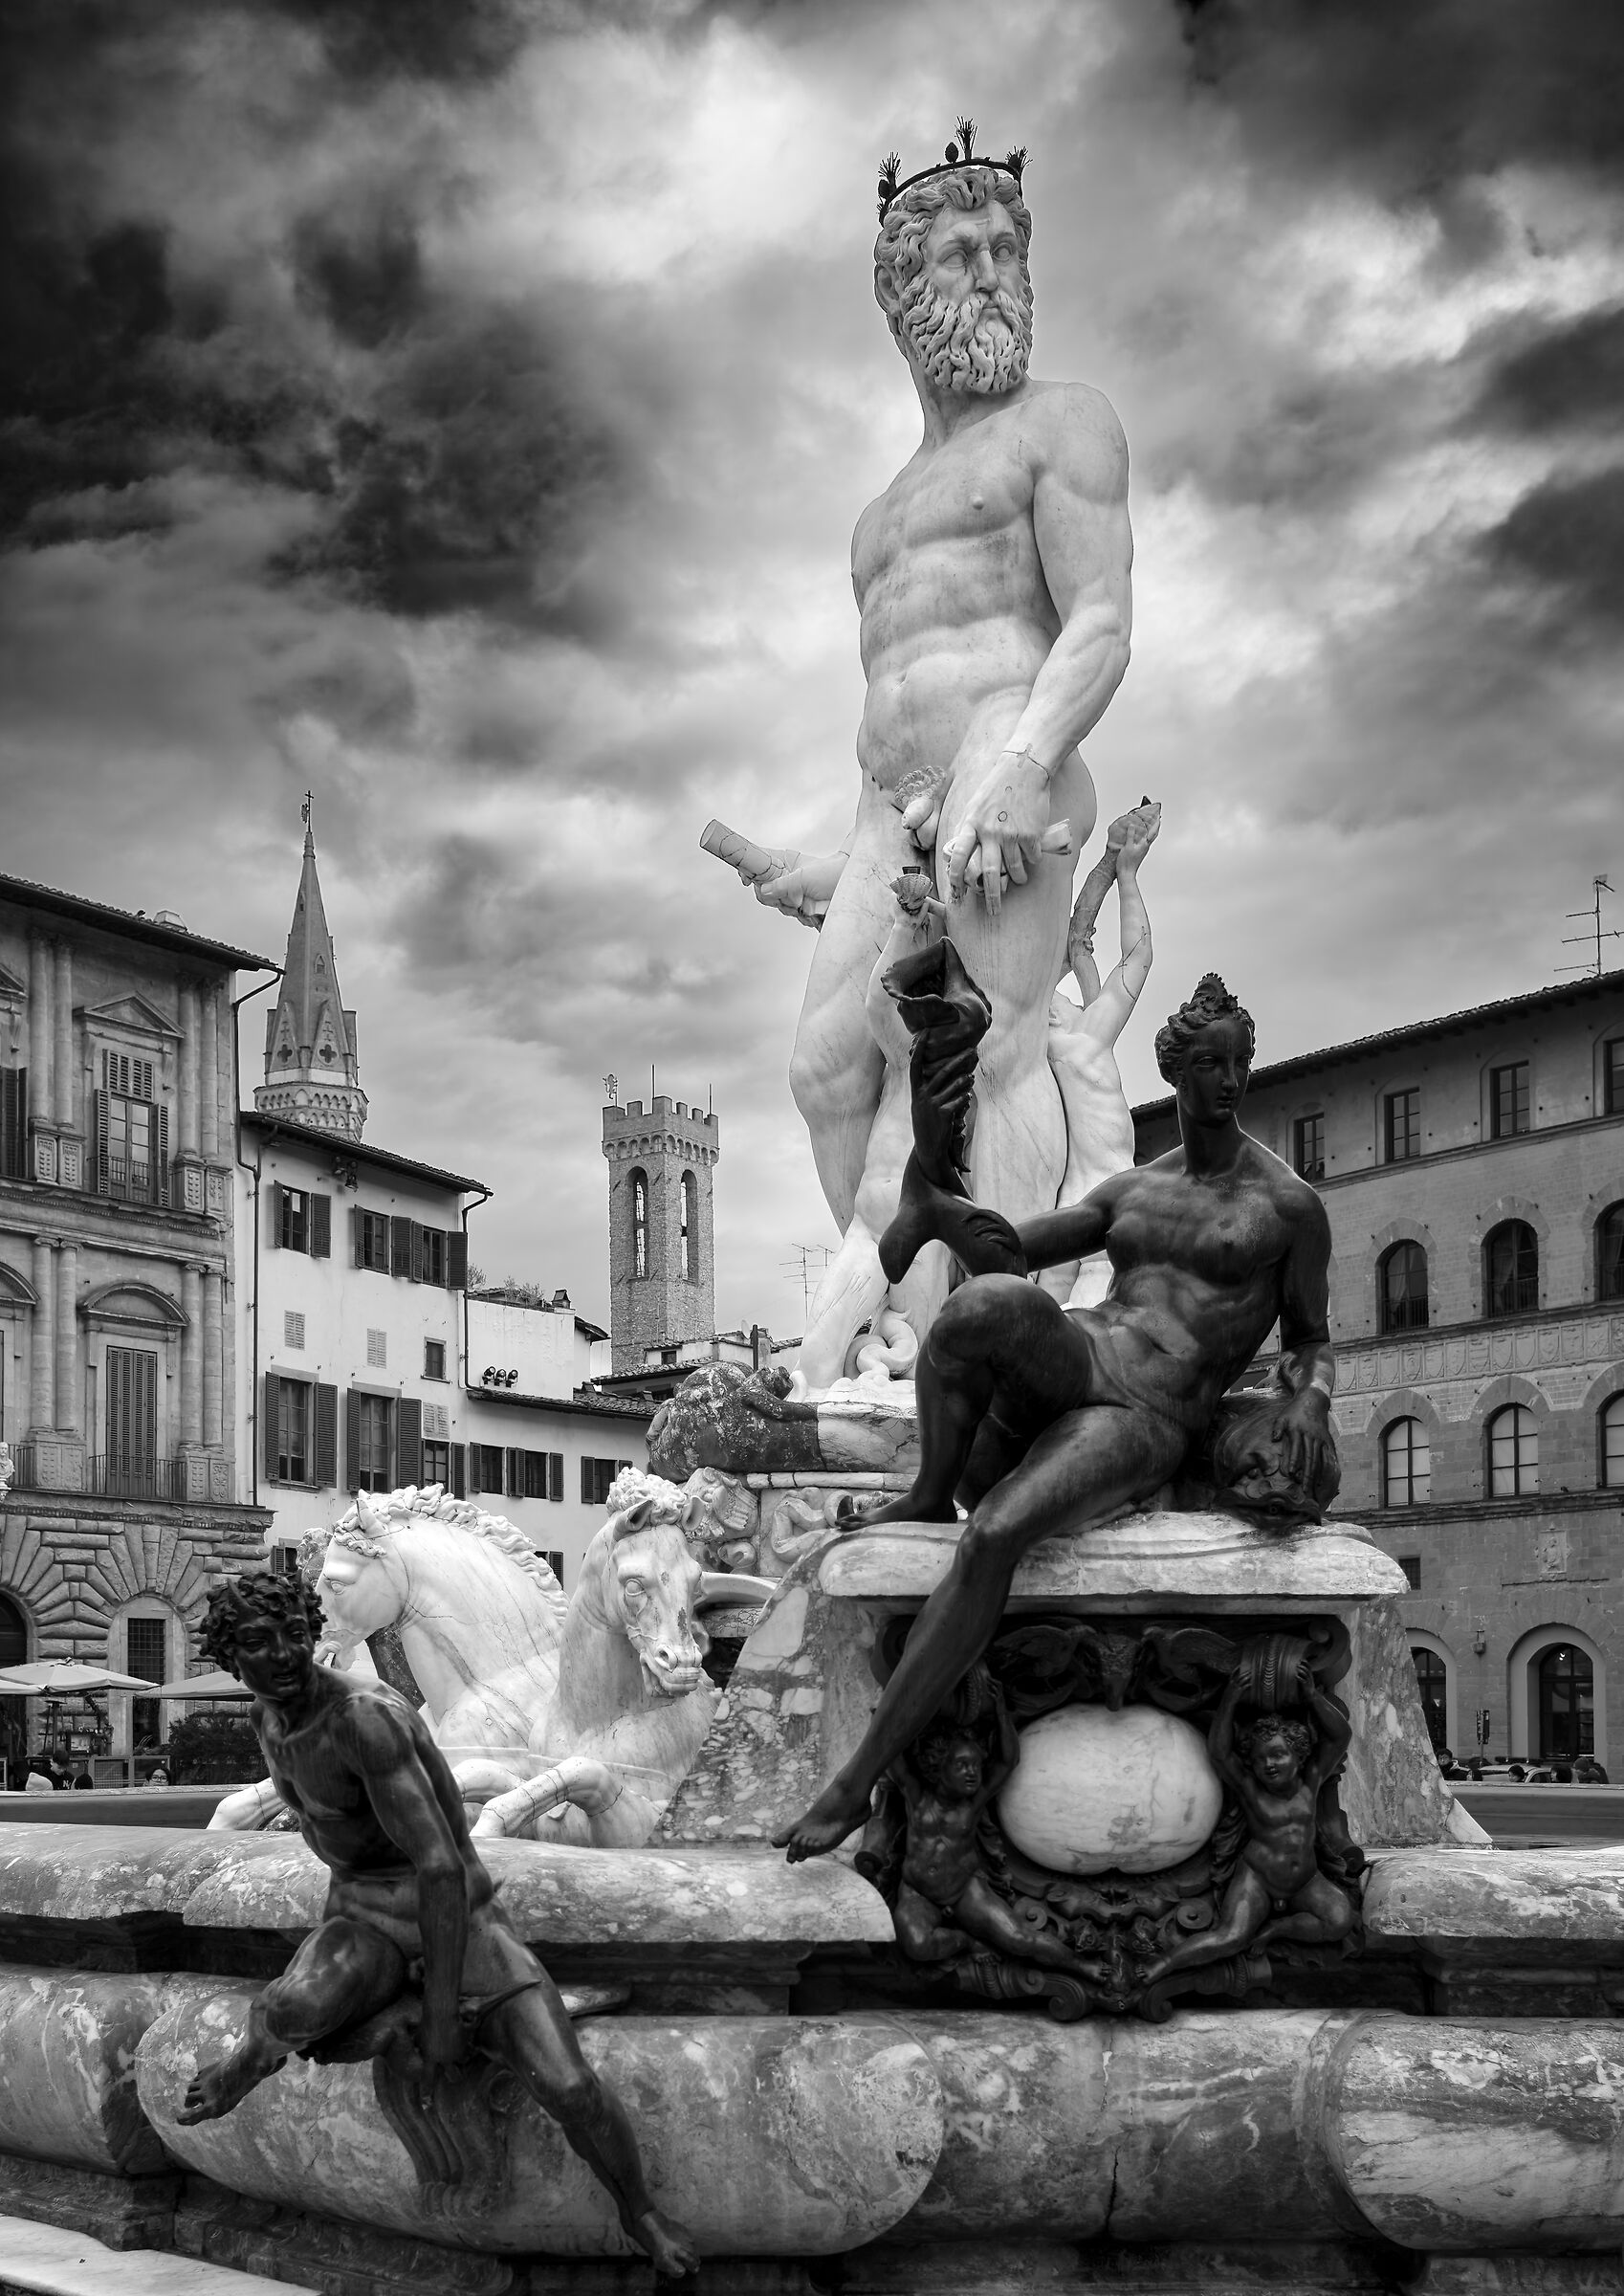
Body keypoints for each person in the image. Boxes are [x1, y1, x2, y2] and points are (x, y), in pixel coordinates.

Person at [777, 974, 1336, 1862]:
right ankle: (927, 1492)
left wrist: (1307, 1398)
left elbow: (1309, 1338)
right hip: (1086, 1349)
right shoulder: (1132, 1193)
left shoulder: (1286, 1206)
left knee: (995, 1533)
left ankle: (858, 1779)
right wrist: (939, 1200)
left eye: (1240, 1065)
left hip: (1148, 1413)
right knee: (982, 1306)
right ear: (1177, 1071)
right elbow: (1012, 1249)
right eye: (1210, 1065)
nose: (1229, 1083)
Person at [731, 130, 1132, 1244]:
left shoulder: (1065, 423)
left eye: (1009, 248)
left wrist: (1019, 769)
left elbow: (1100, 623)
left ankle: (1001, 1323)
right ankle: (896, 1327)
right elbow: (892, 721)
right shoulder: (877, 521)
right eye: (962, 255)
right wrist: (839, 861)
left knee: (985, 1049)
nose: (995, 273)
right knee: (824, 1070)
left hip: (1017, 766)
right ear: (905, 294)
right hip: (895, 812)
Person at [177, 1574, 695, 2281]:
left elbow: (442, 1870)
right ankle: (248, 2060)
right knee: (291, 2007)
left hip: (457, 1914)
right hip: (362, 1916)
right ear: (232, 1659)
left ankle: (641, 2212)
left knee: (569, 2087)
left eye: (296, 1636)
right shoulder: (268, 1721)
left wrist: (447, 2012)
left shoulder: (361, 1718)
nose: (285, 1656)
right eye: (261, 1646)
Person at [1135, 1668, 1354, 1991]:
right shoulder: (1252, 1790)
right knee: (1231, 1937)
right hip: (1258, 1878)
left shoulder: (1312, 1781)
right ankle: (1164, 1964)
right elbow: (1220, 1753)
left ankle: (1277, 1929)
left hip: (1306, 1880)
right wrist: (1230, 1699)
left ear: (1299, 1754)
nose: (1269, 1764)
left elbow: (1340, 1736)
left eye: (1278, 1754)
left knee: (1339, 1920)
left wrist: (1312, 1695)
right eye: (1261, 1758)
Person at [889, 1705, 1106, 1988]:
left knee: (1020, 1938)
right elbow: (893, 1760)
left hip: (964, 1891)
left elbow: (1007, 1761)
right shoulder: (917, 1798)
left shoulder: (972, 1804)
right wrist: (889, 1716)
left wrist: (1003, 1712)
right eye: (962, 1766)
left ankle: (1081, 1966)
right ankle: (966, 1941)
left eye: (977, 1766)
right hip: (918, 1893)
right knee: (917, 1944)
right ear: (939, 1768)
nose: (972, 1773)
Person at [1042, 801, 1159, 1310]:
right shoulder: (1082, 1039)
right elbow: (1138, 956)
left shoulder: (1058, 1041)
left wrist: (1111, 866)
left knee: (1044, 1321)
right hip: (1111, 1198)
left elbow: (1078, 945)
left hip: (1072, 1201)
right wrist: (1127, 874)